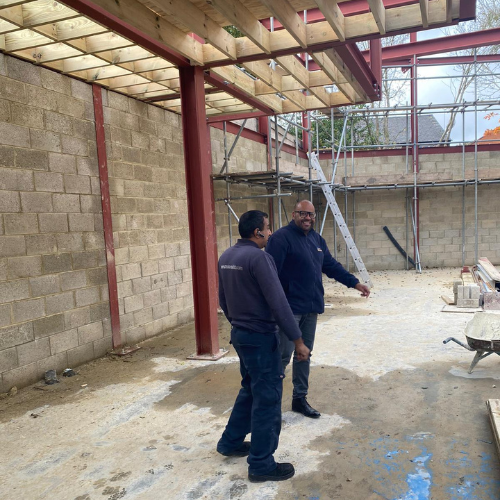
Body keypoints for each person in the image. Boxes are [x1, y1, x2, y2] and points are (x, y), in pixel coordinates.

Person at [216, 210, 310, 483]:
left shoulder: (227, 256)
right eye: (267, 228)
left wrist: (239, 324)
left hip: (241, 335)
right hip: (260, 338)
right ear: (257, 231)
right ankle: (261, 464)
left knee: (250, 389)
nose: (270, 232)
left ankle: (230, 442)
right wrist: (298, 340)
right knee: (267, 398)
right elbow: (278, 303)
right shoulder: (259, 258)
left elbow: (223, 299)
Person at [266, 200, 370, 419]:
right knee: (282, 357)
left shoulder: (316, 239)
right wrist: (275, 307)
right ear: (294, 214)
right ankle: (269, 405)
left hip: (311, 309)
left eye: (311, 215)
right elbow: (270, 275)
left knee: (304, 355)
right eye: (303, 213)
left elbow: (330, 266)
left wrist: (354, 283)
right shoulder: (281, 238)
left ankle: (299, 399)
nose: (307, 218)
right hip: (289, 310)